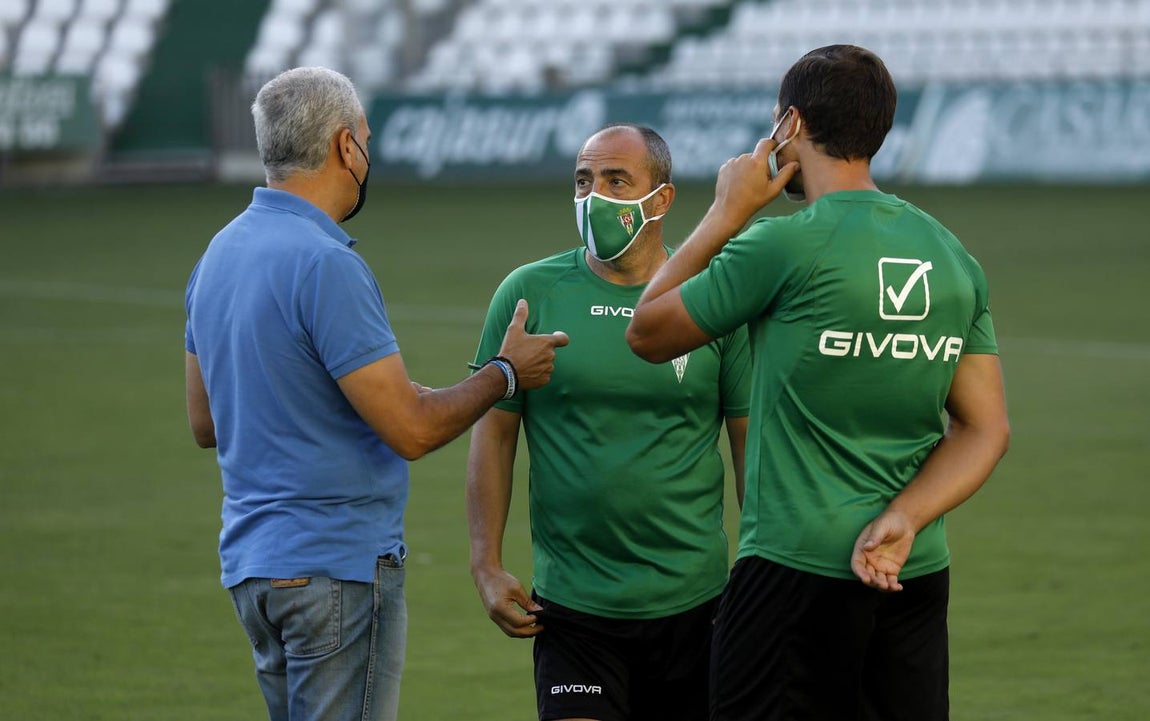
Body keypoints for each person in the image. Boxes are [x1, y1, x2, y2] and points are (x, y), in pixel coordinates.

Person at [626, 45, 1010, 721]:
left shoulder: (783, 245)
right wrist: (906, 517)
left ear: (791, 125)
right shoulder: (952, 256)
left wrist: (724, 213)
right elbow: (986, 428)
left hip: (791, 572)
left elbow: (649, 331)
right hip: (909, 571)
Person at [183, 67, 568, 721]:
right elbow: (411, 431)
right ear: (344, 147)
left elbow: (205, 420)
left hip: (253, 570)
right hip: (335, 565)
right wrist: (504, 373)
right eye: (365, 137)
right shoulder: (327, 262)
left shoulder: (218, 252)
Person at [466, 123, 752, 721]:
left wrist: (757, 577)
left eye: (616, 180)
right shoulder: (528, 294)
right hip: (573, 611)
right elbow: (494, 433)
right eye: (583, 181)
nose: (595, 196)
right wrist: (485, 564)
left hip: (696, 605)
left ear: (662, 199)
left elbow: (750, 443)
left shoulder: (714, 296)